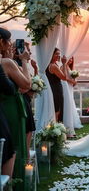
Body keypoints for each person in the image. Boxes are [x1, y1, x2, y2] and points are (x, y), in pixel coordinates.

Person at [0, 27, 31, 190]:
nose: (11, 44)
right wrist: (24, 60)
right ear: (2, 42)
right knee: (12, 148)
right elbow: (27, 84)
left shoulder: (4, 61)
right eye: (9, 41)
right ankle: (14, 183)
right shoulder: (6, 63)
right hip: (10, 111)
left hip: (4, 108)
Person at [62, 56, 82, 138]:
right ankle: (67, 123)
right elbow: (65, 78)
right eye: (69, 58)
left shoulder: (69, 67)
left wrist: (74, 81)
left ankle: (72, 122)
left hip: (70, 87)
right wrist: (72, 81)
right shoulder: (63, 67)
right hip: (66, 87)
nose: (70, 60)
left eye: (72, 59)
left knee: (71, 103)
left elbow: (70, 78)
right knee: (68, 103)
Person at [46, 48, 67, 122]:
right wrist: (64, 63)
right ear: (51, 55)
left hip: (52, 89)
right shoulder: (53, 66)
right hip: (56, 90)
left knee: (55, 109)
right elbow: (64, 77)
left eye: (59, 54)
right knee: (57, 111)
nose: (58, 56)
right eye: (56, 54)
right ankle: (56, 129)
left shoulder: (48, 64)